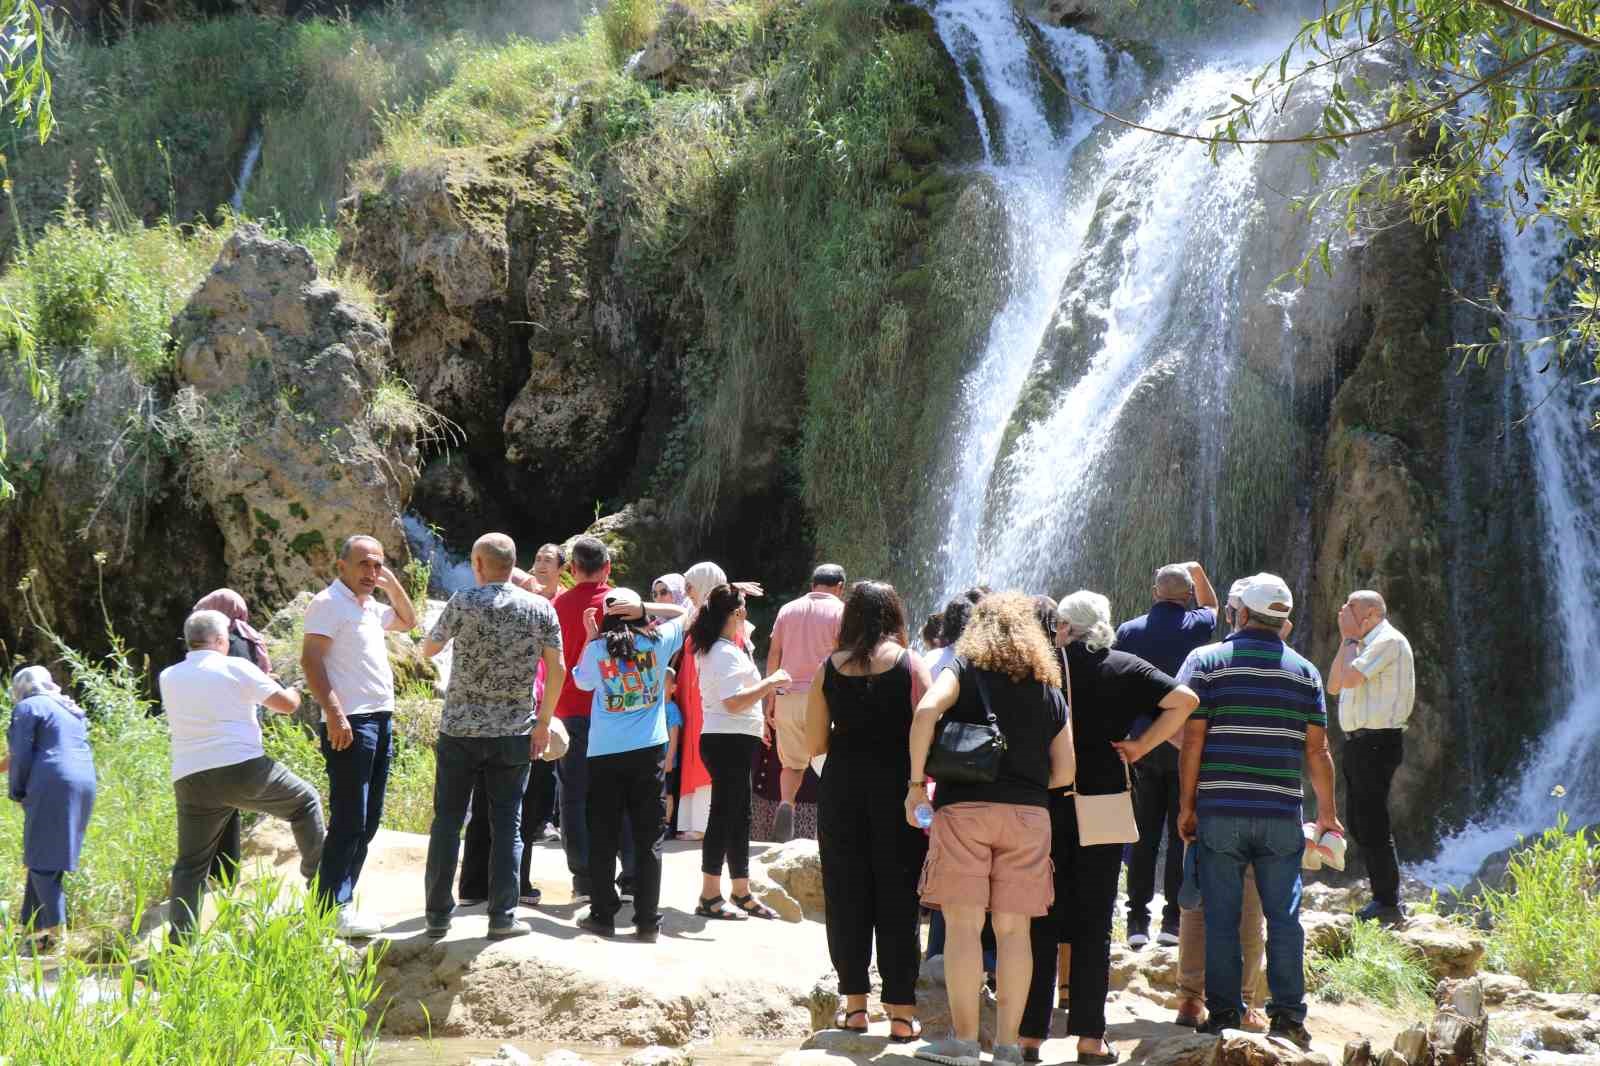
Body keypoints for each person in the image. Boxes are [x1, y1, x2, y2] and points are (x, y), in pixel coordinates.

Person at [1018, 591, 1198, 1065]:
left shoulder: (1042, 666)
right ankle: (1090, 1039)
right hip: (1105, 802)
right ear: (1103, 623)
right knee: (1095, 921)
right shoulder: (1124, 665)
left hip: (1047, 801)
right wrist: (1141, 746)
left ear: (1062, 625)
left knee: (1042, 915)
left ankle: (1030, 1037)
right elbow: (1185, 700)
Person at [908, 592, 1075, 1066]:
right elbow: (1064, 773)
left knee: (963, 926)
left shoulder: (961, 671)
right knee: (1015, 931)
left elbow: (925, 714)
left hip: (964, 810)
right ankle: (1006, 1049)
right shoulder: (1049, 688)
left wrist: (916, 784)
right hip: (1028, 816)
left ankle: (963, 1044)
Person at [1178, 573, 1343, 1049]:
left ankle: (1224, 1013)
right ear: (1283, 622)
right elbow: (1319, 750)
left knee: (1222, 918)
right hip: (1280, 815)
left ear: (1241, 614)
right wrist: (1327, 814)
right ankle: (1289, 1017)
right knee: (1285, 918)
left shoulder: (1209, 664)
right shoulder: (1306, 673)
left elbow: (1193, 740)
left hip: (1221, 811)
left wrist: (1187, 806)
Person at [420, 533, 565, 940]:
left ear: (478, 564)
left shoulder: (464, 600)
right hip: (514, 731)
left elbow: (429, 650)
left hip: (460, 730)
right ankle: (502, 917)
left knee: (447, 821)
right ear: (514, 563)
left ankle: (437, 917)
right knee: (508, 825)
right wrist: (543, 722)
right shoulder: (540, 609)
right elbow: (558, 670)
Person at [807, 581, 932, 1042]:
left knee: (846, 893)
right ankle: (901, 1014)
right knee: (899, 896)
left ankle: (855, 1006)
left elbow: (814, 741)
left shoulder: (829, 668)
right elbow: (930, 725)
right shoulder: (910, 663)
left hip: (841, 790)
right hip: (898, 792)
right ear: (894, 615)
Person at [161, 610, 324, 940]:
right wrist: (291, 685)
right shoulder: (235, 666)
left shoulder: (168, 676)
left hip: (190, 778)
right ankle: (323, 890)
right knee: (304, 802)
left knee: (190, 865)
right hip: (242, 768)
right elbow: (287, 705)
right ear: (222, 641)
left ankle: (180, 949)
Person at [301, 533, 419, 938]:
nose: (372, 571)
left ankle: (337, 903)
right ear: (342, 566)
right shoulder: (328, 604)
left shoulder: (368, 605)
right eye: (364, 564)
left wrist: (391, 584)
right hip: (351, 720)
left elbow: (409, 621)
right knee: (350, 817)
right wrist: (333, 713)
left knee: (367, 821)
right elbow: (311, 660)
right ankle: (330, 908)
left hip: (380, 719)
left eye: (378, 564)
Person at [1172, 580, 1270, 1033]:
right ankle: (1246, 1002)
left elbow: (1177, 728)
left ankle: (1191, 1000)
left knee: (1198, 901)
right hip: (1269, 804)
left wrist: (1189, 793)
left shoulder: (1203, 661)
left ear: (1236, 614)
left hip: (1213, 797)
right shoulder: (1295, 666)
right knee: (1251, 904)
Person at [570, 587, 687, 940]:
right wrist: (644, 607)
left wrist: (591, 639)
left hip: (604, 753)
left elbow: (580, 680)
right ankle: (647, 922)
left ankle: (603, 916)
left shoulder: (596, 650)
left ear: (605, 617)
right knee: (648, 836)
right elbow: (685, 611)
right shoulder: (659, 641)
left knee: (603, 835)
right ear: (638, 613)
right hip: (648, 751)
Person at [1115, 561, 1218, 948]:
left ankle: (1136, 922)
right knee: (1181, 831)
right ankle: (1173, 922)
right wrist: (1199, 571)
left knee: (1141, 833)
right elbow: (1214, 606)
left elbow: (1120, 682)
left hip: (1141, 744)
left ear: (1155, 592)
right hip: (1185, 746)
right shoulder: (1197, 625)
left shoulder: (1129, 630)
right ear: (1187, 595)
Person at [460, 542, 562, 907]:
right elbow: (555, 672)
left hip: (480, 724)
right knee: (520, 808)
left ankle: (474, 887)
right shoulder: (538, 618)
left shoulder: (483, 612)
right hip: (521, 723)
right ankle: (512, 886)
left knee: (487, 806)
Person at [691, 583, 788, 920]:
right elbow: (733, 703)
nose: (746, 611)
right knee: (723, 815)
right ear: (734, 614)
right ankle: (708, 896)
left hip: (733, 739)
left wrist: (734, 587)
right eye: (742, 606)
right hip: (727, 741)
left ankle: (741, 891)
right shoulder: (722, 652)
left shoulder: (725, 646)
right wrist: (771, 681)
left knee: (739, 815)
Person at [1327, 589, 1415, 925]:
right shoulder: (1358, 644)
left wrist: (1350, 639)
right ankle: (1381, 896)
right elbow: (1335, 684)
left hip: (1378, 742)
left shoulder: (1388, 641)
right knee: (1360, 821)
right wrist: (1346, 641)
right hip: (1358, 743)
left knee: (1373, 822)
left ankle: (1388, 902)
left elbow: (1350, 677)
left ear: (1372, 613)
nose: (1344, 612)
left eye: (1351, 607)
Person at [551, 536, 621, 904]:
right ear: (607, 567)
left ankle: (583, 880)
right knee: (618, 794)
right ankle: (629, 876)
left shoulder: (557, 605)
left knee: (573, 795)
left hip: (568, 712)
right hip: (616, 713)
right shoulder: (621, 603)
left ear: (572, 570)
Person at [7, 667, 96, 954]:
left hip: (52, 782)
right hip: (83, 781)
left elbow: (20, 755)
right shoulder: (67, 708)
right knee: (44, 858)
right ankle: (32, 934)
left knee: (43, 862)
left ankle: (57, 937)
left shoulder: (28, 707)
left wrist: (17, 791)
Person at [191, 587, 276, 885]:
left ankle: (221, 875)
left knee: (216, 807)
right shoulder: (250, 636)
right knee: (229, 802)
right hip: (245, 729)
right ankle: (226, 872)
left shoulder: (225, 643)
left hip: (217, 734)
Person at [766, 563, 847, 841]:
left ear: (813, 585)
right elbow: (845, 656)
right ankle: (830, 826)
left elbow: (774, 654)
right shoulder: (841, 611)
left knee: (792, 764)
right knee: (830, 764)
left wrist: (771, 699)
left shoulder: (788, 610)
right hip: (822, 697)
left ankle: (787, 803)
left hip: (786, 694)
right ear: (840, 587)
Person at [664, 670, 683, 832]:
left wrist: (669, 758)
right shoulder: (653, 709)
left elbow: (674, 735)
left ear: (673, 688)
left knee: (668, 793)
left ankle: (667, 823)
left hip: (667, 761)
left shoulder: (671, 709)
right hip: (654, 760)